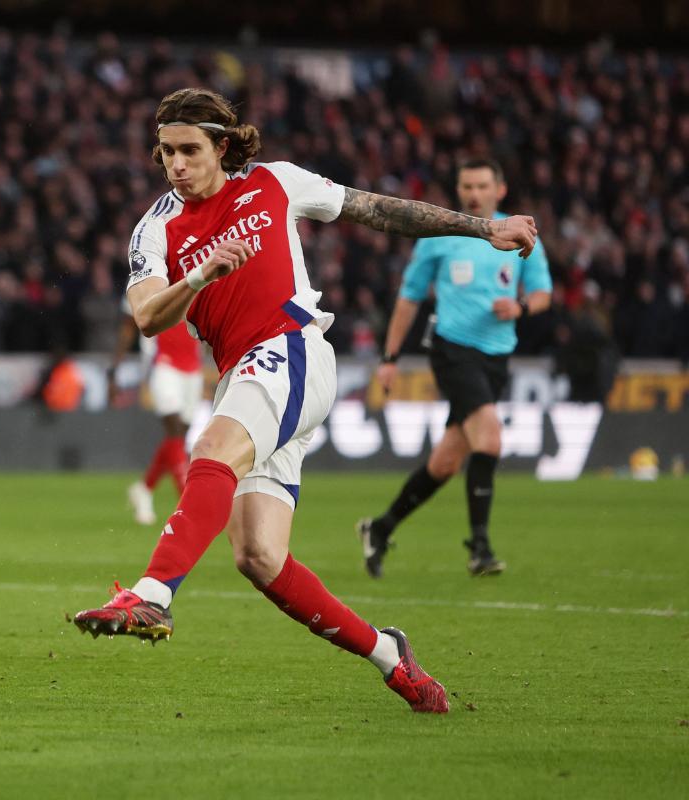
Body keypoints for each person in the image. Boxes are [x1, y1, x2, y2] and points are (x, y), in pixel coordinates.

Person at [72, 88, 537, 714]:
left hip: (293, 348)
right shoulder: (154, 228)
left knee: (211, 448)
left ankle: (152, 592)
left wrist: (483, 228)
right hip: (243, 373)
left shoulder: (274, 182)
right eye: (165, 153)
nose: (176, 164)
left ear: (223, 146)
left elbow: (377, 209)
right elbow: (148, 316)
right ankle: (389, 655)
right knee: (258, 556)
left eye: (188, 150)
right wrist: (200, 275)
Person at [357, 159, 551, 578]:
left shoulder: (519, 230)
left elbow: (542, 294)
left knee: (445, 464)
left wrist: (519, 306)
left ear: (499, 189)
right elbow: (409, 299)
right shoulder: (438, 236)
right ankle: (479, 548)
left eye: (482, 185)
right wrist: (390, 358)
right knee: (490, 438)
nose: (474, 193)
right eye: (467, 186)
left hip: (496, 356)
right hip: (451, 351)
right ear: (459, 189)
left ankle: (380, 528)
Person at [108, 303, 203, 525]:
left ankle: (144, 488)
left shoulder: (197, 271)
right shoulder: (148, 274)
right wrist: (113, 372)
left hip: (193, 367)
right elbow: (128, 328)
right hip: (162, 364)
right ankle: (187, 503)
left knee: (177, 437)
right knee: (175, 429)